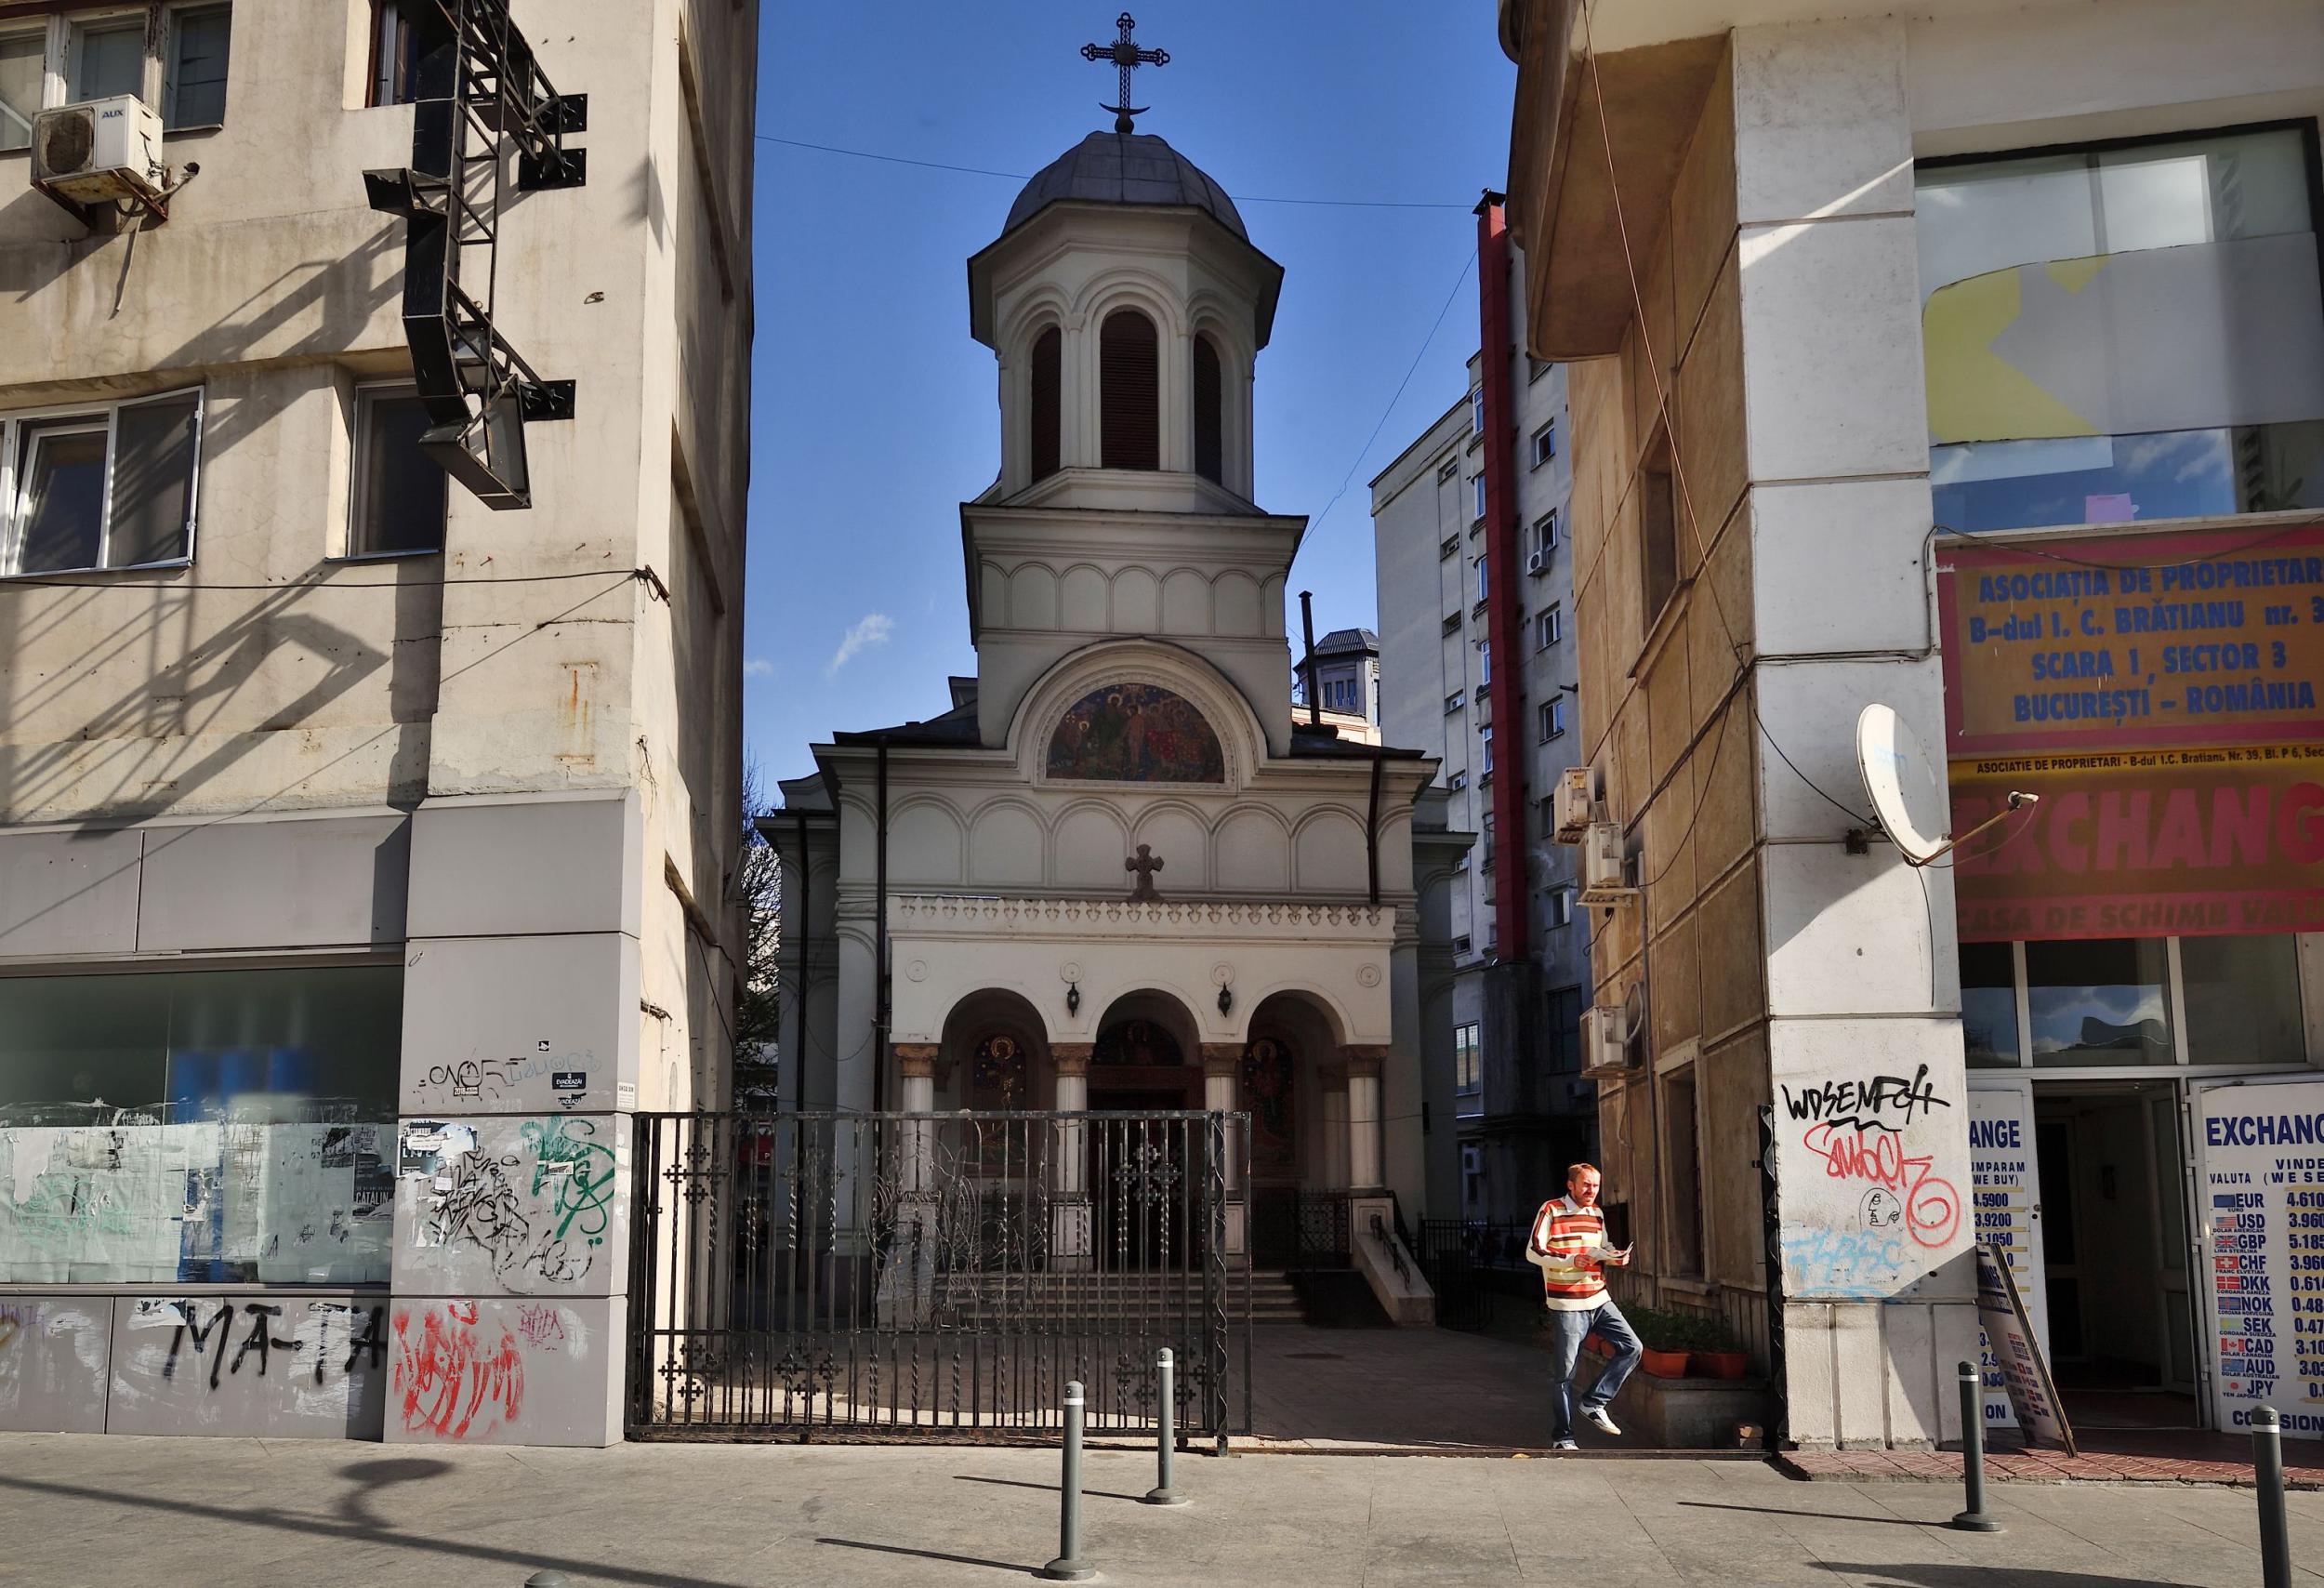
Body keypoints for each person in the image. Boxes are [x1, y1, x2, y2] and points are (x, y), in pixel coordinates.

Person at [1528, 1161, 1641, 1449]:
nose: (1592, 1190)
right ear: (1571, 1185)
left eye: (1596, 1185)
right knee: (1565, 1373)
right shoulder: (1551, 1209)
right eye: (1586, 1184)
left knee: (1632, 1348)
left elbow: (1601, 1247)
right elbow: (1533, 1251)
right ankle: (1562, 1437)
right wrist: (1570, 1260)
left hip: (1599, 1297)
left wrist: (1614, 1257)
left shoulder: (1597, 1214)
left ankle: (1593, 1402)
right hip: (1566, 1303)